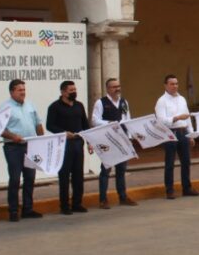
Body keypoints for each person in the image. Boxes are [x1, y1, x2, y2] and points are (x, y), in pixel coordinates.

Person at [0, 79, 45, 222]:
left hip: (30, 146)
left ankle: (28, 209)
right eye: (20, 90)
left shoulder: (30, 104)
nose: (23, 93)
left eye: (24, 90)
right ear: (12, 91)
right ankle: (13, 210)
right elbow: (0, 129)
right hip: (13, 148)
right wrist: (13, 136)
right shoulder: (5, 108)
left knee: (30, 178)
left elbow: (38, 123)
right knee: (14, 179)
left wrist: (41, 139)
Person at [92, 77, 137, 209]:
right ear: (107, 89)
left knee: (121, 170)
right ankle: (103, 199)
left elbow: (128, 119)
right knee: (106, 170)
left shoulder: (124, 102)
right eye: (114, 87)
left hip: (122, 139)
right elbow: (95, 120)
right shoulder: (101, 103)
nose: (117, 89)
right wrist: (109, 123)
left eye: (118, 86)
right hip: (108, 140)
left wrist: (129, 138)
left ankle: (122, 197)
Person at [47, 80, 90, 215]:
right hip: (63, 145)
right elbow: (50, 125)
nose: (74, 92)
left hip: (78, 143)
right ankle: (64, 205)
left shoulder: (79, 106)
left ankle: (77, 203)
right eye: (71, 90)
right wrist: (63, 133)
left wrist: (89, 141)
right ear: (63, 92)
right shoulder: (55, 107)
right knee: (64, 176)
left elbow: (85, 124)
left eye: (75, 90)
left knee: (78, 175)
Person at [155, 73, 199, 199]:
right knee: (170, 163)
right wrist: (176, 118)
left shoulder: (182, 99)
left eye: (176, 83)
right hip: (170, 133)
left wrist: (191, 134)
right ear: (165, 85)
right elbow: (161, 120)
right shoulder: (161, 101)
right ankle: (169, 190)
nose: (175, 86)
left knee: (186, 161)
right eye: (172, 84)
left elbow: (188, 118)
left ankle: (187, 188)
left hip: (183, 132)